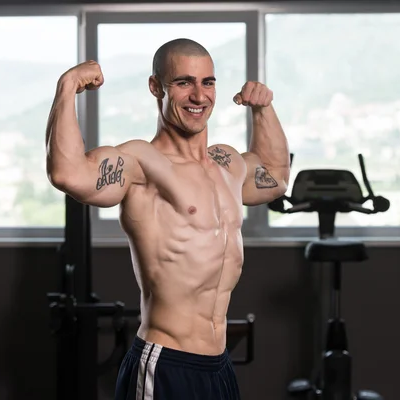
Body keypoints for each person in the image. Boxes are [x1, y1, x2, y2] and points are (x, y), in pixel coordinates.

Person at [45, 38, 290, 400]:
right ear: (155, 87)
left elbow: (275, 177)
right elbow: (68, 173)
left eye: (208, 82)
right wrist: (66, 88)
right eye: (183, 82)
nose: (199, 95)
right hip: (166, 364)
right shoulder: (142, 163)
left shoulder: (227, 163)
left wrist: (262, 109)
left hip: (218, 364)